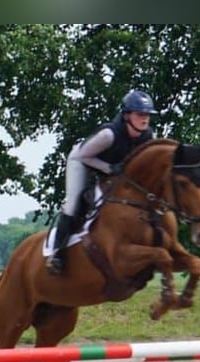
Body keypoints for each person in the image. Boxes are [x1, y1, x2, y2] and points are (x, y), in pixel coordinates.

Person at [45, 89, 158, 275]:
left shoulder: (148, 137)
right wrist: (108, 169)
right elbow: (84, 156)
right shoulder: (109, 135)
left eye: (147, 115)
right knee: (73, 204)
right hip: (84, 160)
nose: (145, 119)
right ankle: (56, 254)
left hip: (112, 166)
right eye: (140, 114)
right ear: (127, 115)